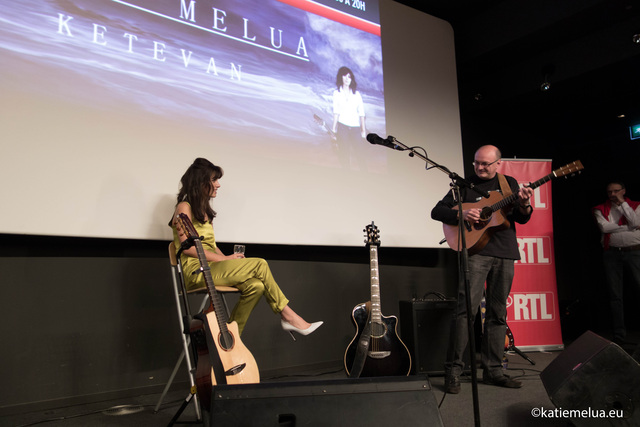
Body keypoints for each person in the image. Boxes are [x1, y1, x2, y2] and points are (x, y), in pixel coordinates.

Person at [169, 158, 323, 337]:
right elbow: (188, 248)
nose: (218, 185)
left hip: (211, 267)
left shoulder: (204, 210)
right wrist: (225, 260)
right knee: (260, 264)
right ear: (200, 182)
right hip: (195, 272)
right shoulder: (184, 207)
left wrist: (229, 258)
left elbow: (211, 246)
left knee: (256, 286)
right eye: (214, 180)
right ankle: (289, 316)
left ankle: (230, 338)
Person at [431, 145, 534, 394]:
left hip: (505, 252)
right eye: (477, 163)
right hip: (475, 253)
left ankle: (494, 371)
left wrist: (524, 204)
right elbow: (437, 211)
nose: (480, 167)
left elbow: (523, 217)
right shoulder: (463, 185)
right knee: (466, 312)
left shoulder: (508, 183)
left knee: (498, 315)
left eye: (486, 164)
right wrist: (464, 213)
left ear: (498, 163)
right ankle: (453, 372)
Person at [592, 181, 640, 346]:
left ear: (624, 191)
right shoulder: (600, 208)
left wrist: (623, 205)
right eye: (610, 192)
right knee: (615, 296)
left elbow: (634, 222)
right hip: (612, 254)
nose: (612, 195)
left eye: (616, 191)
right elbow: (604, 228)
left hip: (635, 252)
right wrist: (628, 227)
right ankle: (619, 335)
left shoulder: (636, 206)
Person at [331, 66, 366, 167]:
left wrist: (363, 131)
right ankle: (347, 179)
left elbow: (362, 114)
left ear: (352, 79)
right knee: (344, 156)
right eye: (344, 76)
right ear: (340, 77)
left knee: (361, 156)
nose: (347, 79)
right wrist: (333, 130)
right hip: (342, 128)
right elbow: (336, 113)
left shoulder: (357, 94)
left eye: (349, 77)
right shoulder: (336, 93)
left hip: (355, 128)